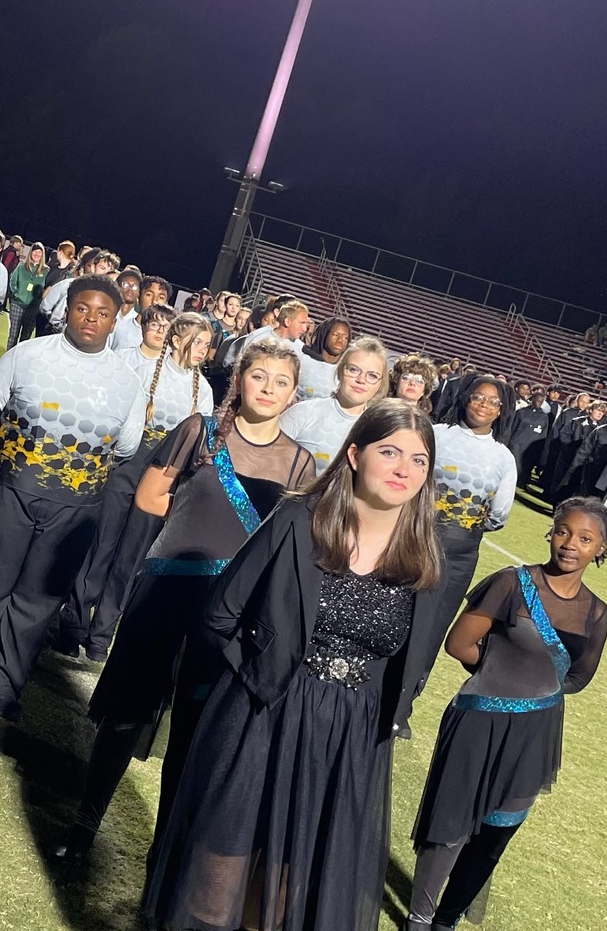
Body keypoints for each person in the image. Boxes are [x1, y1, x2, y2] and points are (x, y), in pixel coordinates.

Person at [144, 399, 440, 931]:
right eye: (390, 452)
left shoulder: (421, 554)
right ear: (354, 454)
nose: (403, 470)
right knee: (217, 888)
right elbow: (221, 613)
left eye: (419, 460)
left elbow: (407, 666)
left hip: (344, 744)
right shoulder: (299, 520)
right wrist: (257, 680)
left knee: (285, 901)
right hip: (262, 719)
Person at [56, 341, 314, 864]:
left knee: (195, 732)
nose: (267, 389)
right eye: (258, 376)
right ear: (239, 380)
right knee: (126, 717)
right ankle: (84, 826)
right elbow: (149, 497)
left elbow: (292, 545)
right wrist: (196, 511)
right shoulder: (199, 430)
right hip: (166, 592)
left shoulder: (300, 464)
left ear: (293, 395)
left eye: (280, 382)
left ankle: (164, 854)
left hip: (229, 612)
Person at [0, 276, 147, 720]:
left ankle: (4, 684)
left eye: (103, 313)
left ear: (114, 322)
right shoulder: (25, 355)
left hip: (76, 506)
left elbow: (127, 445)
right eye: (82, 308)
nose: (91, 318)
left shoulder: (128, 381)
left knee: (39, 598)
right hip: (8, 488)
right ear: (66, 310)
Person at [405, 498, 607, 931]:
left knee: (496, 834)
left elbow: (577, 677)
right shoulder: (510, 583)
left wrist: (532, 693)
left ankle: (447, 921)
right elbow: (459, 644)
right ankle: (419, 920)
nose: (570, 544)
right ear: (551, 533)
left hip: (536, 732)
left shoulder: (597, 613)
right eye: (562, 531)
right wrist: (500, 672)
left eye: (585, 538)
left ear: (601, 549)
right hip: (479, 720)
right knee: (451, 826)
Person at [53, 311, 216, 661]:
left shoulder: (203, 389)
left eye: (207, 344)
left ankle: (101, 636)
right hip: (128, 464)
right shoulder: (142, 369)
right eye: (197, 341)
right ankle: (73, 625)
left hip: (166, 474)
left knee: (133, 557)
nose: (203, 349)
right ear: (175, 339)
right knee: (101, 546)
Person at [394, 374, 517, 736]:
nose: (483, 405)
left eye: (493, 402)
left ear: (501, 411)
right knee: (396, 611)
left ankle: (403, 707)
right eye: (478, 397)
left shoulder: (503, 458)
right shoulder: (437, 434)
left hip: (462, 552)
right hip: (416, 537)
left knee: (433, 629)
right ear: (464, 399)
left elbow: (500, 515)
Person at [281, 336, 390, 474]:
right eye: (353, 370)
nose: (361, 380)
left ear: (381, 384)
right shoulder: (304, 413)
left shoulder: (378, 433)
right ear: (340, 371)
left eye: (372, 376)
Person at [108, 275, 174, 351]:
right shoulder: (118, 327)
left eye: (161, 297)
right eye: (149, 295)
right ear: (138, 298)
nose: (154, 301)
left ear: (166, 303)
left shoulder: (167, 337)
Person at [6, 241, 49, 348]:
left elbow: (47, 288)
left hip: (33, 308)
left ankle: (20, 359)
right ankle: (8, 358)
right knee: (13, 334)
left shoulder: (46, 271)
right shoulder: (21, 267)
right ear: (31, 253)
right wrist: (16, 294)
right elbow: (12, 282)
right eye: (35, 252)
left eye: (40, 253)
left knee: (25, 337)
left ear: (42, 255)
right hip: (18, 304)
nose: (37, 255)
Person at [300, 315, 351, 399]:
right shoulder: (303, 361)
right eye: (335, 335)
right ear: (324, 334)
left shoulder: (346, 372)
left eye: (345, 337)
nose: (340, 340)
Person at [507, 387, 550, 487]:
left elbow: (543, 435)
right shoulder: (521, 412)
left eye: (541, 402)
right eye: (537, 400)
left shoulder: (544, 417)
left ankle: (521, 482)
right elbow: (512, 428)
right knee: (515, 466)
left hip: (531, 447)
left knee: (525, 467)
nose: (538, 403)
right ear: (532, 400)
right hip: (516, 444)